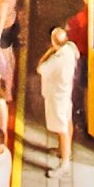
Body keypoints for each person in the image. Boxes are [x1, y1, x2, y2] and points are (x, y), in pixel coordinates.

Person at [36, 26, 81, 176]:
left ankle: (64, 164)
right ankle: (63, 150)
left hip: (56, 98)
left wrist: (49, 51)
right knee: (67, 122)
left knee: (62, 129)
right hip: (65, 93)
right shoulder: (70, 49)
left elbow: (40, 68)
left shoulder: (56, 61)